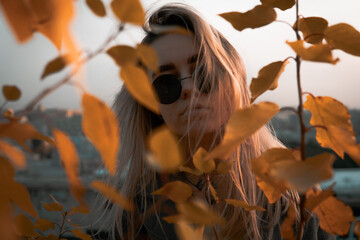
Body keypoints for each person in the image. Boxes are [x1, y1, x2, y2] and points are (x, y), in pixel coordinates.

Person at [94, 3, 335, 240]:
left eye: (203, 72)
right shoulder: (138, 214)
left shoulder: (296, 195)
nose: (189, 88)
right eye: (166, 83)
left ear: (232, 79)